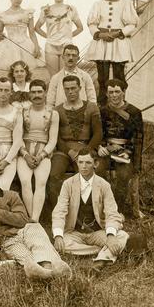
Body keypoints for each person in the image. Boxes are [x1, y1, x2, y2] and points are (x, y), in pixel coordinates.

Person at [0, 165, 71, 280]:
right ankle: (50, 273)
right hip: (7, 241)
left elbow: (23, 219)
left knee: (39, 242)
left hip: (25, 230)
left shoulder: (10, 195)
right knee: (27, 260)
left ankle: (47, 268)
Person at [52, 149, 129, 273]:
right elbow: (59, 211)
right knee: (62, 243)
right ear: (77, 163)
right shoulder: (68, 184)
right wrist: (58, 235)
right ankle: (102, 251)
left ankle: (99, 262)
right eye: (80, 162)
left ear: (95, 164)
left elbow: (112, 213)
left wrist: (110, 236)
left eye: (88, 162)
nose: (83, 166)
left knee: (122, 236)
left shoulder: (104, 185)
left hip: (97, 232)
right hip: (74, 233)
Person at [47, 75, 103, 222]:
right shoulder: (57, 110)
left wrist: (87, 152)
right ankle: (59, 214)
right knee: (53, 175)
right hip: (64, 150)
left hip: (86, 148)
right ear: (63, 90)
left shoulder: (91, 107)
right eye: (67, 89)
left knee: (87, 176)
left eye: (73, 88)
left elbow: (98, 133)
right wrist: (70, 151)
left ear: (80, 88)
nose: (70, 91)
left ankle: (86, 215)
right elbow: (57, 137)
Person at [86, 0, 139, 104]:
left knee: (119, 76)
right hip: (102, 43)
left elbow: (132, 23)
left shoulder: (126, 3)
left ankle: (120, 104)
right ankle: (102, 105)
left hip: (119, 43)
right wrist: (100, 34)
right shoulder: (98, 4)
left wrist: (119, 33)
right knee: (102, 77)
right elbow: (91, 23)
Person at [98, 79, 144, 218]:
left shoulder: (134, 112)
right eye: (110, 92)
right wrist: (100, 146)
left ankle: (117, 211)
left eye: (117, 91)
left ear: (124, 92)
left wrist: (135, 161)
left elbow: (138, 139)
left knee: (123, 175)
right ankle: (100, 207)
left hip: (126, 151)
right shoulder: (102, 111)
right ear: (106, 94)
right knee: (98, 169)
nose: (114, 95)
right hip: (106, 150)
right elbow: (97, 132)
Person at [17, 80, 59, 221]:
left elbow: (52, 140)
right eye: (33, 92)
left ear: (45, 93)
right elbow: (18, 136)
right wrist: (26, 155)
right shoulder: (22, 112)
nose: (36, 95)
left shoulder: (53, 114)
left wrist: (41, 156)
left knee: (41, 181)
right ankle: (31, 217)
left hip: (43, 152)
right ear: (29, 94)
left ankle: (35, 218)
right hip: (25, 151)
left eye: (39, 92)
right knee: (25, 180)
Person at [0, 0, 46, 81]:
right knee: (11, 73)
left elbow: (32, 33)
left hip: (25, 44)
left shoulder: (27, 13)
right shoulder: (3, 15)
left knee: (25, 72)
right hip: (9, 46)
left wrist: (36, 47)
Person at [34, 0, 83, 77]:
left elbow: (80, 28)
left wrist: (68, 36)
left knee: (65, 75)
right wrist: (48, 36)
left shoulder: (71, 9)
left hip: (66, 45)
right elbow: (37, 27)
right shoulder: (46, 10)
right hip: (51, 45)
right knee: (53, 76)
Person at [46, 44, 97, 109]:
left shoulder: (85, 76)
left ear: (78, 58)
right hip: (61, 115)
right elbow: (50, 103)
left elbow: (92, 100)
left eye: (74, 55)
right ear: (63, 57)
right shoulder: (55, 78)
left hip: (81, 114)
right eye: (68, 55)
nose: (70, 58)